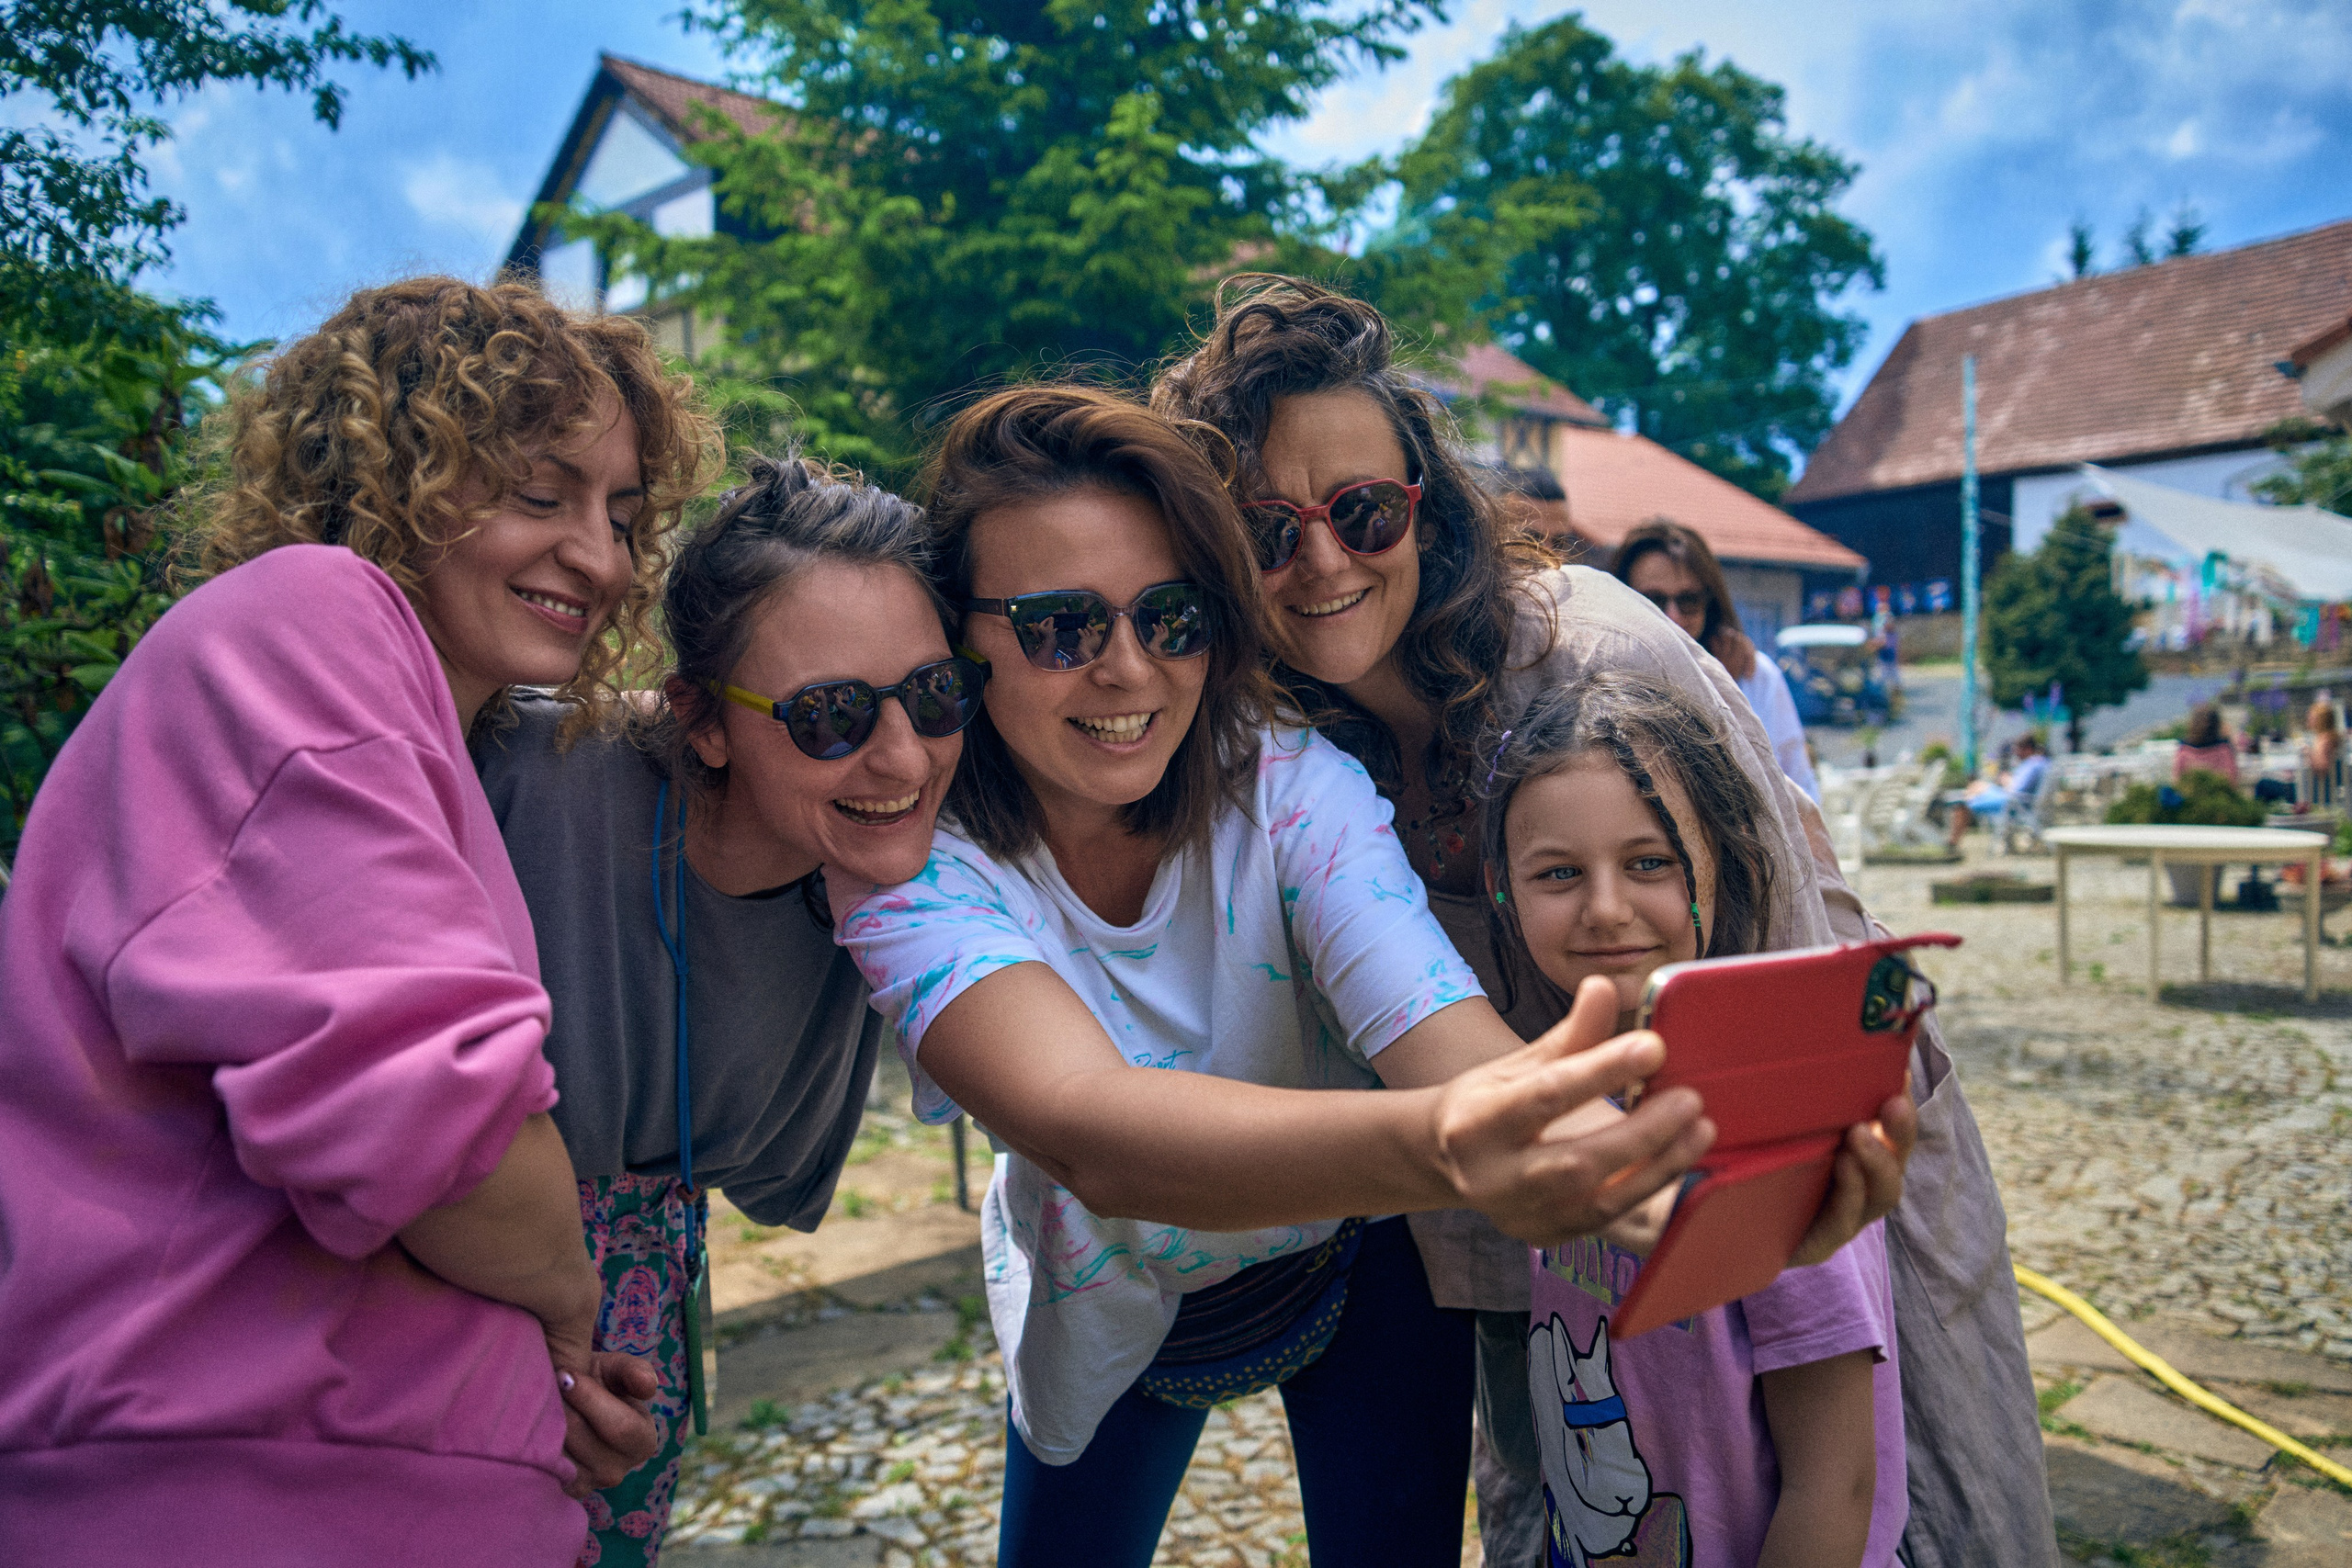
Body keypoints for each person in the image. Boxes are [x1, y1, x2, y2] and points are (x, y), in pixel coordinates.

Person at [829, 385, 1909, 1568]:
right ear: (961, 639)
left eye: (1172, 617)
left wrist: (1680, 1183)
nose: (1128, 673)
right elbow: (1089, 1129)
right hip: (1104, 1283)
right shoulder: (915, 861)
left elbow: (1442, 1033)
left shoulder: (1287, 781)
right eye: (1057, 628)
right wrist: (1455, 1142)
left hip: (1359, 1263)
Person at [1153, 273, 2045, 1568]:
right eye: (1268, 531)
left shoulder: (1596, 659)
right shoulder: (1288, 740)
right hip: (1545, 1233)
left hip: (1778, 1192)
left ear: (1423, 502)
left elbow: (1779, 969)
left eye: (1360, 510)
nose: (1325, 561)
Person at [0, 276, 715, 1564]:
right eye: (539, 493)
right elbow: (444, 1126)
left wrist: (530, 1389)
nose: (602, 556)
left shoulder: (421, 722)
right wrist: (564, 1306)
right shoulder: (309, 613)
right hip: (242, 1497)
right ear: (392, 471)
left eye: (620, 512)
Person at [473, 455, 983, 1564]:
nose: (901, 757)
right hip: (429, 1290)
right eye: (829, 715)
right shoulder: (524, 775)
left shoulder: (914, 878)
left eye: (936, 693)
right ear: (698, 719)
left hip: (640, 1327)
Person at [1486, 672, 1907, 1567]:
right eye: (1559, 873)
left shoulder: (1777, 1131)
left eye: (1650, 863)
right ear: (1502, 890)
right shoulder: (1558, 1102)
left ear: (1726, 862)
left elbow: (1835, 1484)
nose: (1605, 908)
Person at [1614, 518, 1820, 802]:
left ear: (1709, 602)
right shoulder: (1604, 680)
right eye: (1653, 600)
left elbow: (1801, 792)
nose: (1672, 616)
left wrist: (1724, 691)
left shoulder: (1753, 676)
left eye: (1689, 600)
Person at [1946, 733, 2050, 849]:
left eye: (2019, 749)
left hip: (2013, 803)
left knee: (1964, 803)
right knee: (1976, 786)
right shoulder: (2038, 762)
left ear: (2028, 749)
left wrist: (2006, 780)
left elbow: (2015, 790)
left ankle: (1952, 843)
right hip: (2015, 801)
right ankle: (1965, 800)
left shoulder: (2033, 764)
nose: (2016, 752)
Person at [2173, 704, 2240, 784]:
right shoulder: (2224, 751)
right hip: (2218, 793)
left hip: (2191, 794)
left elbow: (2177, 781)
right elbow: (2232, 780)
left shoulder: (2184, 751)